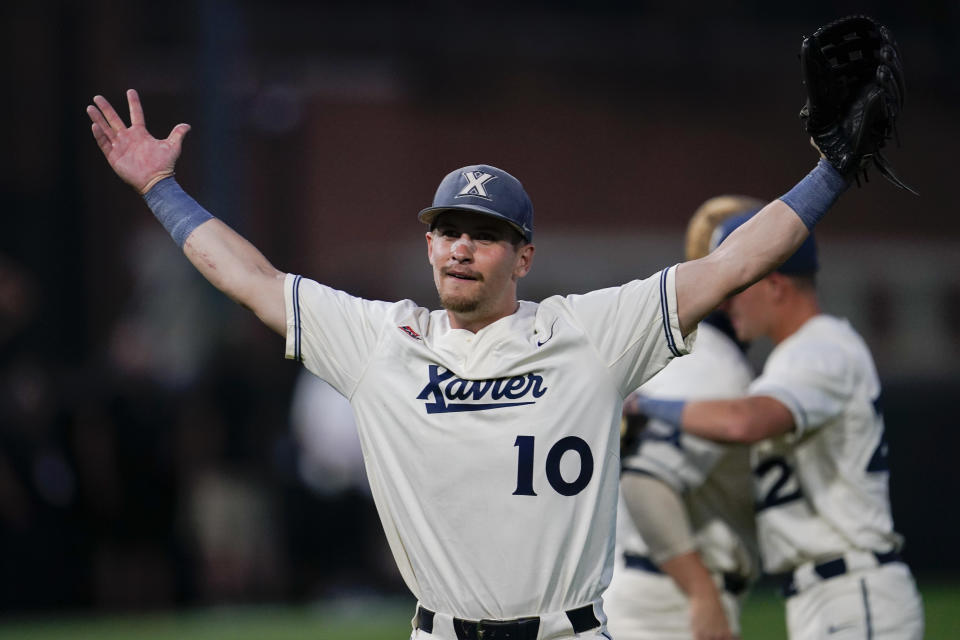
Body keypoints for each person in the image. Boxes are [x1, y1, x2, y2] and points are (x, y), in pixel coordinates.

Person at [86, 88, 849, 639]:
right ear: (427, 245)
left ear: (523, 256)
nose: (459, 246)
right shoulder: (381, 340)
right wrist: (161, 189)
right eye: (447, 229)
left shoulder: (589, 332)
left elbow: (734, 263)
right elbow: (249, 278)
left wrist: (835, 169)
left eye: (483, 234)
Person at [634, 214, 925, 640]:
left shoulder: (822, 347)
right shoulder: (793, 357)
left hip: (853, 588)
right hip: (825, 595)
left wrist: (648, 404)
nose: (726, 300)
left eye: (739, 284)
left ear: (775, 283)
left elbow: (744, 421)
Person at [604, 196, 762, 640]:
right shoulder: (707, 361)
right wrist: (700, 592)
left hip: (648, 592)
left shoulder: (689, 353)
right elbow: (644, 476)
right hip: (664, 606)